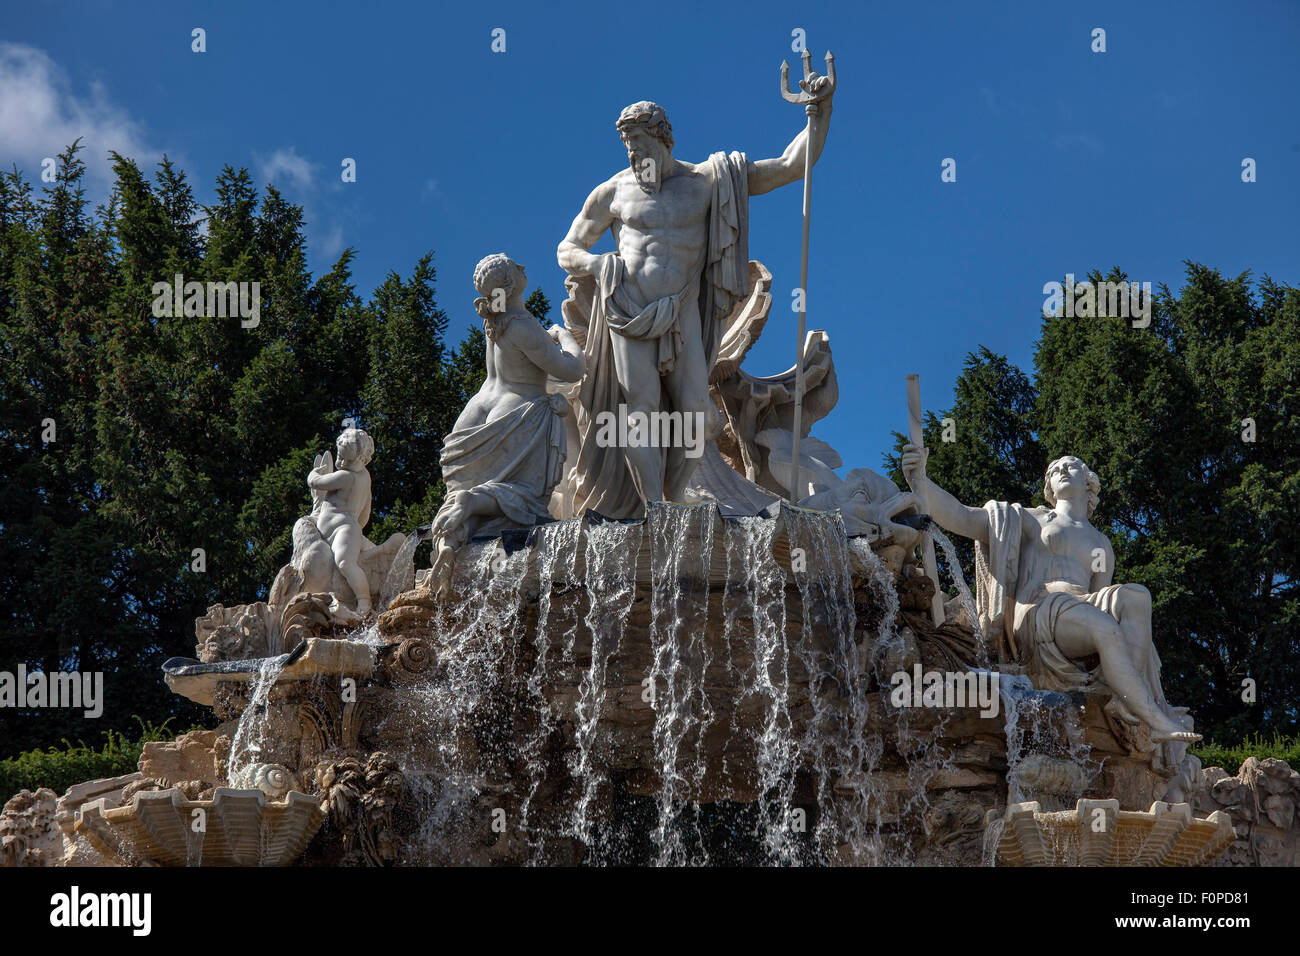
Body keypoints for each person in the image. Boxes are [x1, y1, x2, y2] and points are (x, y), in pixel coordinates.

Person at [557, 86, 833, 517]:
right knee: (640, 410)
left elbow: (791, 166)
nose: (636, 158)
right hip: (627, 310)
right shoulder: (612, 192)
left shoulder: (709, 181)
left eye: (643, 146)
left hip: (683, 309)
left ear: (666, 141)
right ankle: (653, 507)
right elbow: (567, 249)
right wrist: (596, 266)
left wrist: (819, 111)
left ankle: (674, 493)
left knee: (696, 414)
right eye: (629, 149)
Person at [901, 445, 1199, 743]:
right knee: (1103, 626)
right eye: (1054, 471)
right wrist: (920, 481)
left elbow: (1101, 595)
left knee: (1136, 596)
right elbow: (961, 517)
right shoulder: (1029, 520)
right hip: (1039, 610)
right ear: (1050, 489)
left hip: (1080, 610)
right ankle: (1153, 717)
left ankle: (1125, 699)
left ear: (1088, 483)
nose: (1061, 471)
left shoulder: (1099, 542)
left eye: (1071, 467)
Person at [428, 254, 585, 594]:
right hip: (516, 412)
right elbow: (571, 371)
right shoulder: (522, 324)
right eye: (518, 266)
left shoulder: (493, 321)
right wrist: (565, 336)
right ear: (512, 284)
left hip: (475, 414)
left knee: (464, 495)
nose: (526, 266)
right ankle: (470, 504)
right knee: (523, 496)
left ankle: (450, 541)